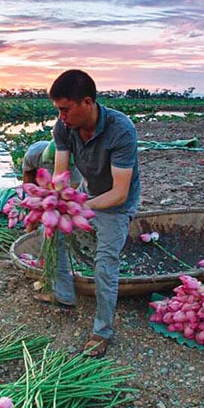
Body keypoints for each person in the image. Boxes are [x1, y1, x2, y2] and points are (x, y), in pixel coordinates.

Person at [34, 69, 141, 357]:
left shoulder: (121, 129)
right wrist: (55, 201)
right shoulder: (63, 128)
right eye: (58, 110)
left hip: (117, 202)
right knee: (51, 231)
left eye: (65, 109)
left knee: (105, 263)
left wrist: (80, 206)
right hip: (87, 191)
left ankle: (102, 331)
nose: (61, 116)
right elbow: (60, 174)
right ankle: (64, 295)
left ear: (87, 102)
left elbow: (119, 193)